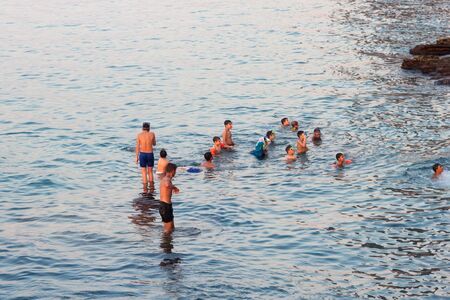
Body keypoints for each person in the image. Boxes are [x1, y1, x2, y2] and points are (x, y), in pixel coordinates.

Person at [159, 163, 180, 234]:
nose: (175, 173)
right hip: (165, 206)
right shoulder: (167, 179)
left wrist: (173, 187)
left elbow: (167, 185)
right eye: (175, 171)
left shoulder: (164, 178)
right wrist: (173, 187)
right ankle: (165, 243)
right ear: (172, 171)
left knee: (172, 228)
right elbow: (167, 185)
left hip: (166, 206)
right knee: (167, 230)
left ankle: (169, 242)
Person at [136, 122, 156, 193]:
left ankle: (145, 190)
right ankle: (152, 188)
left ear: (142, 128)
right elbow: (154, 144)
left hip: (142, 154)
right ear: (149, 128)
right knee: (150, 172)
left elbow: (137, 147)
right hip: (150, 154)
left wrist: (136, 157)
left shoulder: (139, 135)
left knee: (143, 172)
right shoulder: (152, 134)